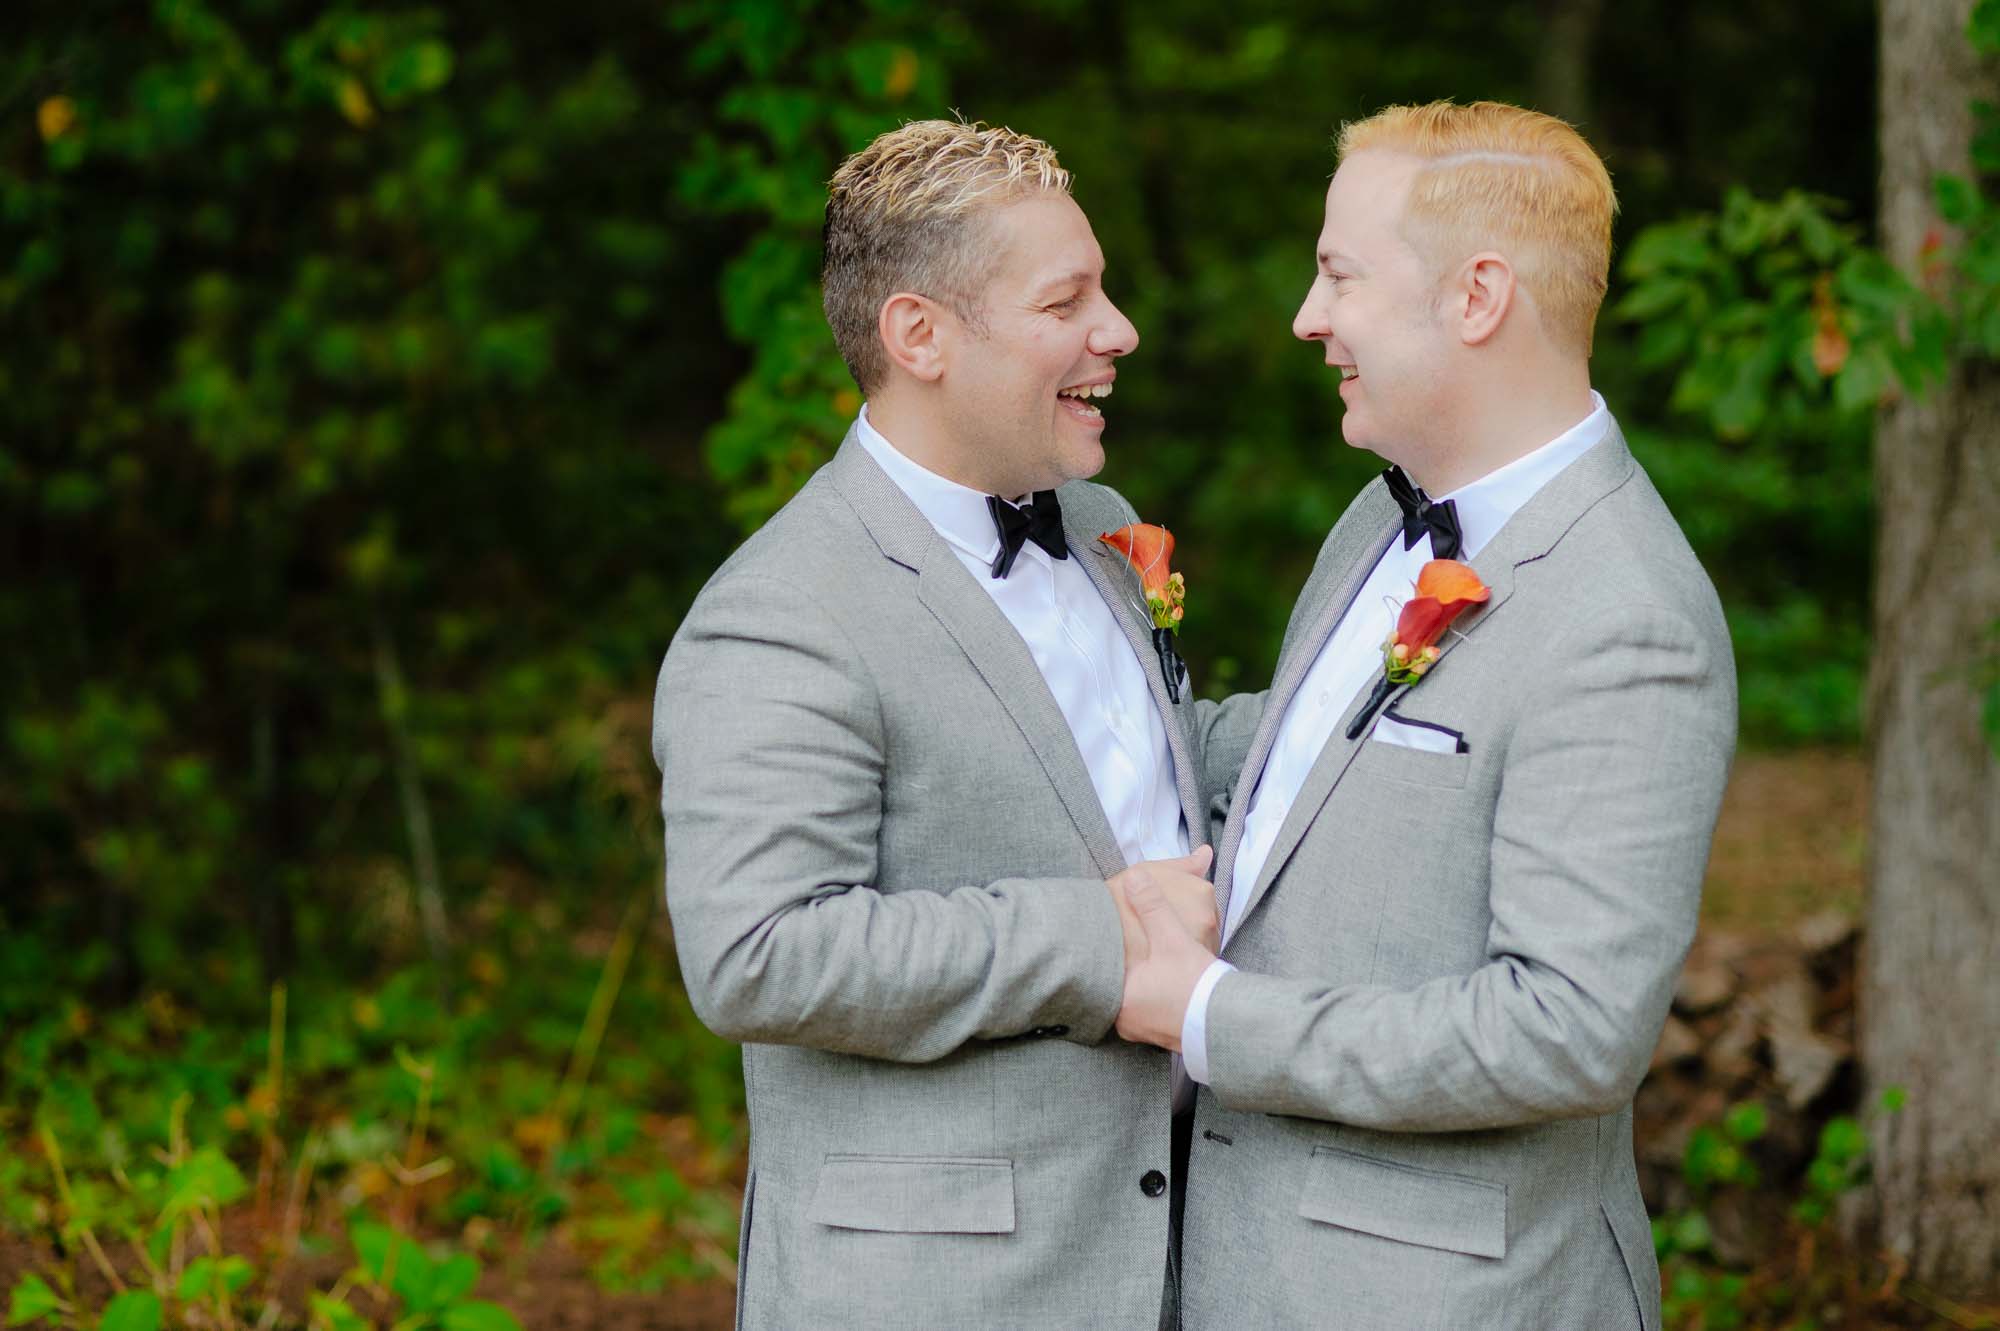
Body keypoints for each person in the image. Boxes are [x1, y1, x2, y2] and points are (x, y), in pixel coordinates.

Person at [1116, 101, 1737, 1330]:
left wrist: (1203, 1015)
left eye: (1338, 271)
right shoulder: (1377, 519)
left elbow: (1562, 1030)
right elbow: (1304, 767)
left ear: (1477, 296)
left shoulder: (1626, 616)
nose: (1307, 315)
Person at [654, 119, 1219, 1330]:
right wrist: (1096, 939)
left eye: (1104, 290)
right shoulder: (780, 613)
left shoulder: (1101, 520)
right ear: (920, 335)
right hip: (942, 1289)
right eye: (1067, 300)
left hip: (1173, 1255)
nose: (1116, 331)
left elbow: (1143, 766)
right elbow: (757, 949)